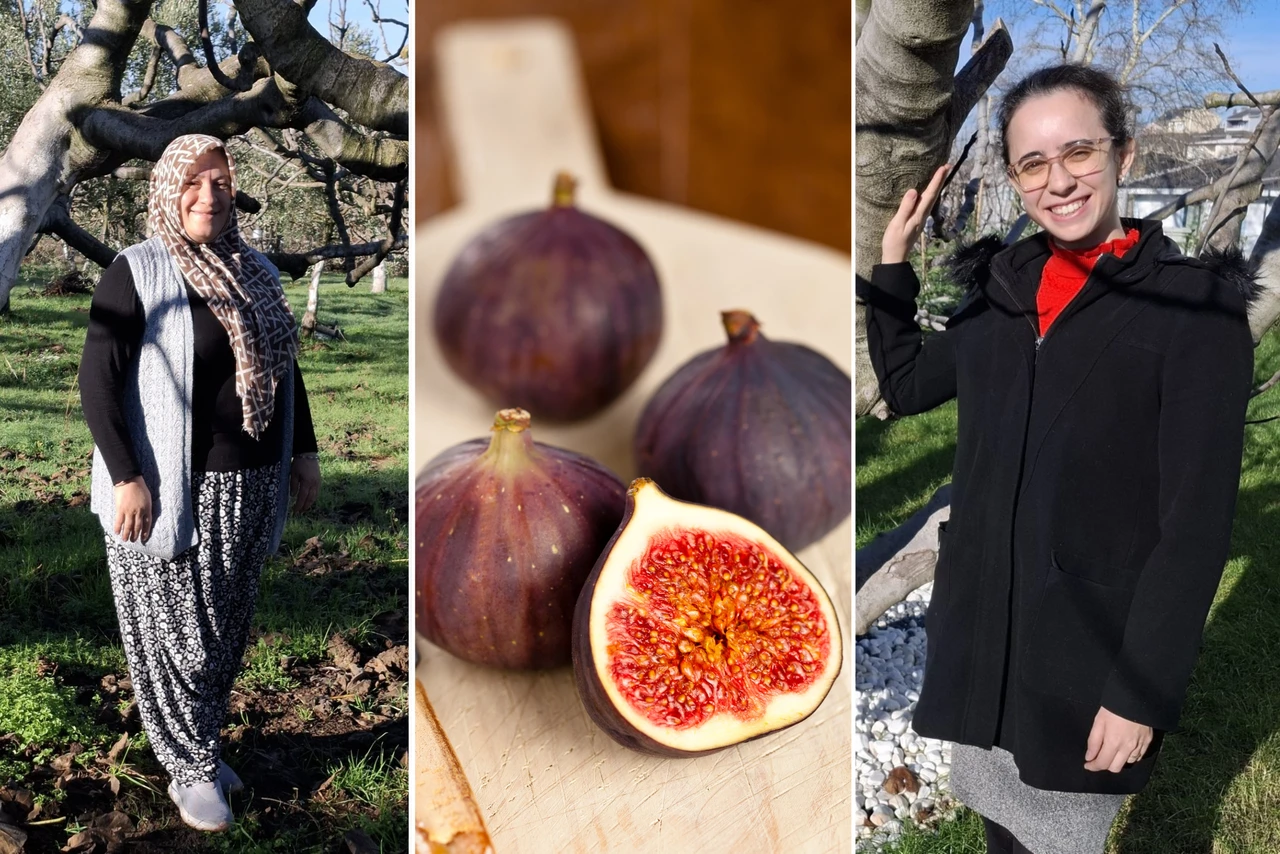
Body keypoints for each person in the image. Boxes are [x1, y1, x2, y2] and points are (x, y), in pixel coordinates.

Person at [859, 65, 1255, 853]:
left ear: (1125, 155)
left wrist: (1141, 690)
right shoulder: (1002, 294)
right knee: (998, 829)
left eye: (1079, 152)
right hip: (982, 637)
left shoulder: (1192, 312)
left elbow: (1197, 526)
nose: (1058, 181)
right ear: (1013, 178)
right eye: (1032, 164)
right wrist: (893, 268)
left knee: (1057, 840)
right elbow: (904, 385)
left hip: (1085, 654)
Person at [79, 134, 322, 832]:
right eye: (194, 181)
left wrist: (302, 451)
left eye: (220, 181)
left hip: (248, 482)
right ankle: (186, 769)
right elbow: (96, 381)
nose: (208, 195)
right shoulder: (139, 272)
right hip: (166, 490)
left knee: (223, 631)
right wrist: (127, 476)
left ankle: (202, 746)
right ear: (166, 189)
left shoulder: (256, 272)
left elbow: (284, 369)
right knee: (178, 635)